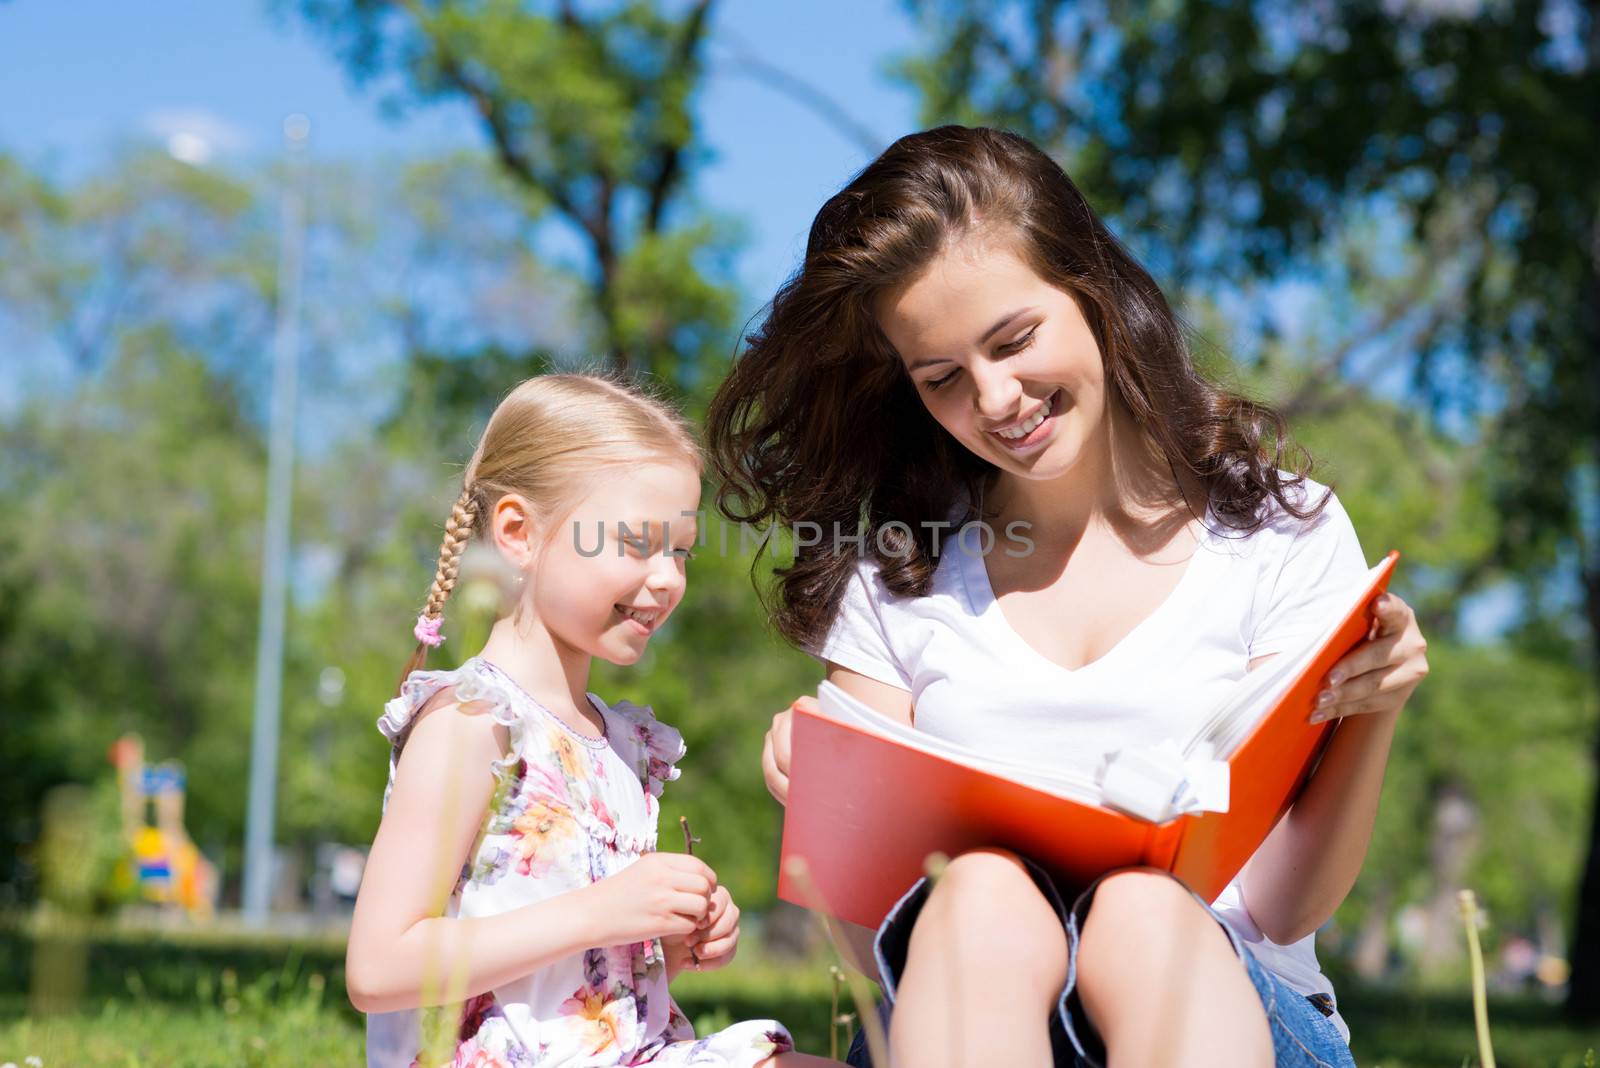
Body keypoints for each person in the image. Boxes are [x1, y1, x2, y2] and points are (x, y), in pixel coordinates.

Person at [704, 126, 1429, 1068]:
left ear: (1091, 291)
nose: (997, 399)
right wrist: (828, 812)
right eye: (943, 378)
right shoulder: (898, 572)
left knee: (1139, 914)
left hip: (1237, 1011)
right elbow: (880, 970)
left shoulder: (1280, 535)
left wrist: (1374, 708)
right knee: (978, 896)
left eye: (1014, 341)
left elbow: (1285, 908)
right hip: (970, 1025)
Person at [350, 373, 838, 1068]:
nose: (669, 578)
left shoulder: (619, 741)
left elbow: (568, 969)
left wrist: (661, 939)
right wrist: (605, 912)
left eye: (681, 551)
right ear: (519, 532)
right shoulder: (472, 723)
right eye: (639, 544)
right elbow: (378, 968)